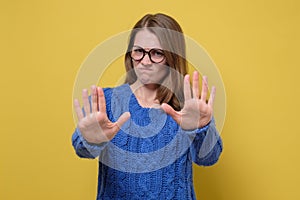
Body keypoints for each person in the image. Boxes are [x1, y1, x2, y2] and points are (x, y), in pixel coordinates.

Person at [72, 13, 223, 200]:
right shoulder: (108, 101)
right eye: (138, 51)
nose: (144, 61)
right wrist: (89, 140)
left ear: (172, 57)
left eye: (157, 53)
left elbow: (209, 158)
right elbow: (82, 150)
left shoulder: (187, 105)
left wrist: (201, 129)